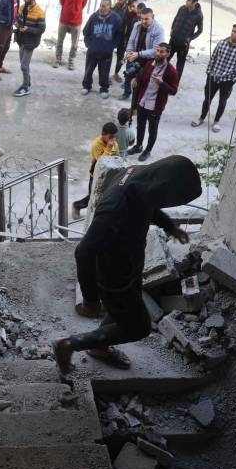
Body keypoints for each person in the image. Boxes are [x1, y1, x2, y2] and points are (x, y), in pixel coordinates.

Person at [51, 155, 201, 371]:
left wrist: (170, 226)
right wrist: (90, 300)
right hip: (114, 276)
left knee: (123, 310)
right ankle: (69, 345)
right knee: (138, 328)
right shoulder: (117, 207)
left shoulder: (139, 177)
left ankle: (99, 346)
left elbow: (148, 204)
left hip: (129, 262)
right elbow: (83, 252)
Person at [191, 23, 236, 132]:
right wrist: (209, 73)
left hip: (227, 80)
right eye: (232, 30)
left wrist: (233, 80)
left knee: (222, 101)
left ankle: (216, 122)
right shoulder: (222, 43)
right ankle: (201, 118)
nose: (232, 33)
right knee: (207, 99)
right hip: (213, 77)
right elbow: (213, 58)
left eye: (235, 32)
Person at [128, 43, 179, 161]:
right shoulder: (149, 63)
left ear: (168, 54)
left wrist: (162, 83)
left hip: (155, 106)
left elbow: (173, 91)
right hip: (143, 101)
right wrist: (135, 79)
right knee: (140, 125)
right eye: (157, 51)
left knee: (152, 129)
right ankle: (138, 146)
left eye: (162, 52)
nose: (158, 53)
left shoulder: (171, 71)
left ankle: (147, 151)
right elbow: (142, 77)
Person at [72, 122, 120, 218]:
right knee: (93, 196)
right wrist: (108, 148)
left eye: (114, 137)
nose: (113, 139)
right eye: (111, 137)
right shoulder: (96, 144)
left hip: (109, 175)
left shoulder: (114, 143)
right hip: (96, 175)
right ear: (103, 134)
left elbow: (117, 157)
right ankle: (77, 205)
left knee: (106, 195)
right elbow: (101, 163)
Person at [120, 6, 164, 100]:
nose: (143, 21)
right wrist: (129, 53)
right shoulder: (137, 25)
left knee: (141, 83)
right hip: (135, 55)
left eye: (146, 19)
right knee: (128, 75)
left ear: (153, 17)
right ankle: (127, 92)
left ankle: (138, 101)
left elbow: (156, 50)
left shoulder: (159, 29)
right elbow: (131, 41)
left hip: (148, 60)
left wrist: (139, 54)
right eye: (141, 18)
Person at [80, 0, 123, 98]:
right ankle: (86, 86)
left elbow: (119, 35)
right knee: (88, 70)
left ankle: (104, 89)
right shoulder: (94, 16)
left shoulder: (116, 19)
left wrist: (112, 46)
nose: (101, 8)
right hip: (92, 51)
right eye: (100, 5)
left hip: (106, 52)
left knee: (104, 72)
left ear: (109, 7)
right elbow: (86, 31)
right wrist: (89, 44)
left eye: (104, 6)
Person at [13, 0, 46, 97]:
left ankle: (26, 87)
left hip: (30, 42)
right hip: (21, 40)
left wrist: (28, 29)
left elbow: (41, 29)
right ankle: (28, 82)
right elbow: (18, 19)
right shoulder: (22, 7)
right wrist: (17, 24)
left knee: (24, 66)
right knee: (24, 65)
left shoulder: (40, 12)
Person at [54, 0, 89, 70]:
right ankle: (58, 59)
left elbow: (83, 4)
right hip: (64, 20)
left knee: (74, 44)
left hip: (76, 22)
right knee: (59, 41)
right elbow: (62, 1)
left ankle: (71, 61)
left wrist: (76, 11)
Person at [169, 0, 204, 77]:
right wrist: (172, 30)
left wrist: (189, 38)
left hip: (183, 44)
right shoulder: (182, 8)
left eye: (189, 0)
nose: (186, 1)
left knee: (180, 65)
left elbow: (200, 30)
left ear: (195, 2)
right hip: (173, 40)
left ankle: (175, 81)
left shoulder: (199, 15)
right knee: (165, 59)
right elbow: (175, 20)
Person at [112, 0, 134, 83]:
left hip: (123, 38)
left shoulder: (129, 10)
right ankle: (105, 74)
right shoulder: (113, 7)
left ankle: (116, 73)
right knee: (107, 56)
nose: (118, 1)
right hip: (112, 36)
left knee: (120, 57)